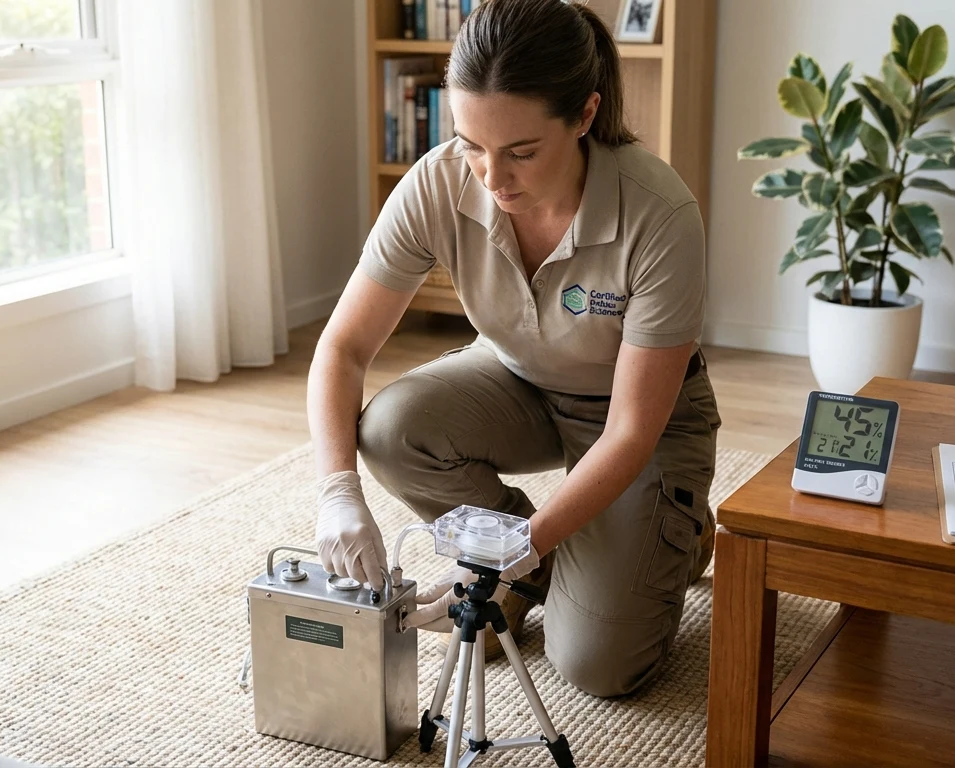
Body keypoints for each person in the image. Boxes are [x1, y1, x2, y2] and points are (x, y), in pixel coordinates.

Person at [308, 0, 719, 699]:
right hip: (516, 380)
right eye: (471, 143)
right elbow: (343, 347)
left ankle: (675, 534)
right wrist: (336, 491)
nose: (491, 177)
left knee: (597, 665)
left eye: (521, 152)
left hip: (637, 422)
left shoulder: (660, 215)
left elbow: (628, 432)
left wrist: (522, 542)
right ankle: (558, 564)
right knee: (387, 429)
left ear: (586, 116)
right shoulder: (439, 182)